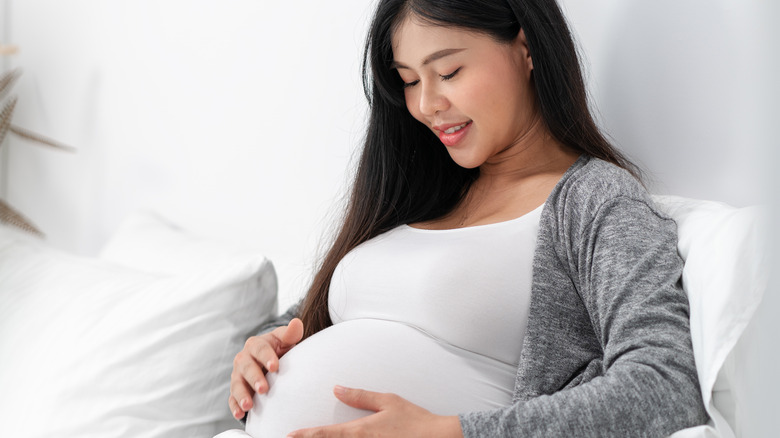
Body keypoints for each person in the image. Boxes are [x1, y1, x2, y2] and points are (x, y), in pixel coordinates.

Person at [227, 0, 709, 436]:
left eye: (450, 71)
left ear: (525, 48)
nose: (425, 105)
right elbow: (311, 320)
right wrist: (264, 348)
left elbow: (665, 384)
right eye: (410, 80)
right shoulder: (419, 190)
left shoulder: (595, 201)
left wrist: (456, 432)